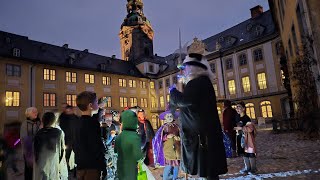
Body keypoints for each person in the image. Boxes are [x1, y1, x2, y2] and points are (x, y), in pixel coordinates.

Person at [169, 53, 228, 179]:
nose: (183, 72)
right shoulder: (202, 82)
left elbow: (185, 101)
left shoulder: (197, 82)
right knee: (209, 171)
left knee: (208, 171)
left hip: (202, 138)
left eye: (185, 68)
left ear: (193, 68)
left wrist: (173, 92)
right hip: (205, 136)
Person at [73, 91, 106, 180]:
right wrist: (103, 165)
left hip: (80, 164)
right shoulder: (93, 123)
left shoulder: (77, 122)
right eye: (96, 102)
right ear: (90, 105)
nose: (97, 104)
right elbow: (96, 145)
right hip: (92, 166)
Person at [33, 112, 67, 180]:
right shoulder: (58, 132)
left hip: (41, 162)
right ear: (53, 120)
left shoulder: (38, 133)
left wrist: (37, 161)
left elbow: (35, 150)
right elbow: (62, 149)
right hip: (54, 161)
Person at [115, 110, 144, 180]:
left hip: (120, 166)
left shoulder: (119, 136)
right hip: (131, 167)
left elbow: (115, 151)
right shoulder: (135, 137)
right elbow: (138, 155)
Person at [153, 109, 181, 180]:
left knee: (176, 166)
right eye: (168, 116)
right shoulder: (164, 127)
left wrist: (178, 138)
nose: (169, 117)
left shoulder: (177, 127)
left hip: (177, 150)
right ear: (165, 118)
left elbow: (181, 136)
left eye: (171, 116)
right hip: (168, 150)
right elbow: (159, 138)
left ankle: (174, 178)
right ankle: (165, 178)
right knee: (168, 166)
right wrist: (166, 137)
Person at [234, 101, 257, 174]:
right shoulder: (237, 117)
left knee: (250, 152)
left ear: (243, 108)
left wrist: (241, 128)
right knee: (244, 153)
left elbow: (250, 129)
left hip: (248, 138)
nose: (237, 108)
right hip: (240, 137)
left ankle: (253, 169)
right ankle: (247, 167)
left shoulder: (246, 118)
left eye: (239, 107)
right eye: (236, 107)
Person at [20, 107, 41, 180]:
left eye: (36, 111)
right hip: (29, 151)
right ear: (28, 114)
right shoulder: (25, 124)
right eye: (34, 112)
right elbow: (25, 138)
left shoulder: (39, 123)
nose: (36, 113)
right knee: (29, 170)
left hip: (38, 150)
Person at [59, 105, 78, 171]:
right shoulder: (63, 117)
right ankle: (66, 166)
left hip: (74, 139)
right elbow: (62, 127)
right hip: (67, 139)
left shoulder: (75, 117)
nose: (69, 111)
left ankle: (75, 166)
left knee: (76, 153)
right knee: (67, 153)